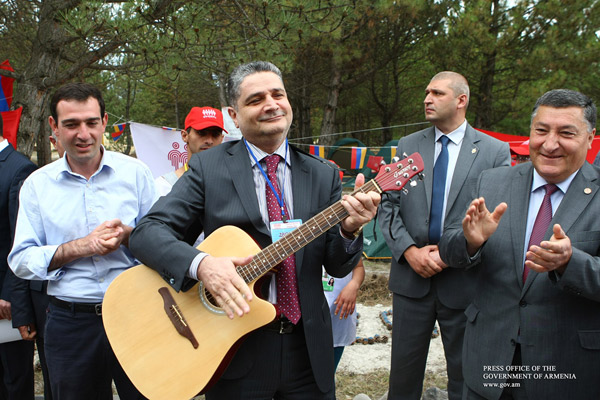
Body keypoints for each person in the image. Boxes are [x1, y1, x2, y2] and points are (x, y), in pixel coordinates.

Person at [128, 61, 380, 399]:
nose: (272, 104)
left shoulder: (323, 174)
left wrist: (349, 230)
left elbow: (336, 265)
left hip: (307, 349)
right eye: (256, 98)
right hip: (233, 345)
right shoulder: (209, 167)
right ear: (234, 115)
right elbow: (148, 232)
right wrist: (203, 266)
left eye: (278, 94)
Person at [439, 89, 600, 399]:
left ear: (590, 138)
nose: (550, 144)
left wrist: (571, 263)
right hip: (488, 362)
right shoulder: (492, 182)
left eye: (566, 133)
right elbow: (448, 247)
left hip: (567, 370)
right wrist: (470, 242)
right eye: (541, 131)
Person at [8, 82, 156, 400]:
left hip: (137, 315)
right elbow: (21, 259)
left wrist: (131, 237)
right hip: (69, 321)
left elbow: (166, 240)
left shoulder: (137, 174)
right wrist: (80, 247)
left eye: (91, 122)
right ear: (54, 127)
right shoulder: (37, 185)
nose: (83, 134)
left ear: (104, 122)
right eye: (71, 124)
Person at [378, 71, 511, 400]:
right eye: (426, 92)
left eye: (436, 93)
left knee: (463, 379)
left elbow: (496, 219)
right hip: (411, 282)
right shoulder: (408, 145)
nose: (427, 99)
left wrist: (449, 255)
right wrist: (410, 251)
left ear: (461, 100)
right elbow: (388, 207)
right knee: (403, 379)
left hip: (464, 282)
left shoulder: (495, 152)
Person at [0, 113, 38, 399]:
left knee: (13, 379)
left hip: (6, 301)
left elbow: (20, 238)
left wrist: (10, 294)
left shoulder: (19, 169)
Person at [155, 106, 226, 196]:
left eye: (215, 134)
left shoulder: (233, 184)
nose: (209, 140)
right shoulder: (165, 186)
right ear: (185, 136)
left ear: (222, 139)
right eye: (202, 133)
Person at [323, 258, 365, 371]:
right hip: (309, 314)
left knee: (329, 371)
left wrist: (354, 285)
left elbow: (358, 266)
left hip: (338, 314)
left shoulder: (345, 240)